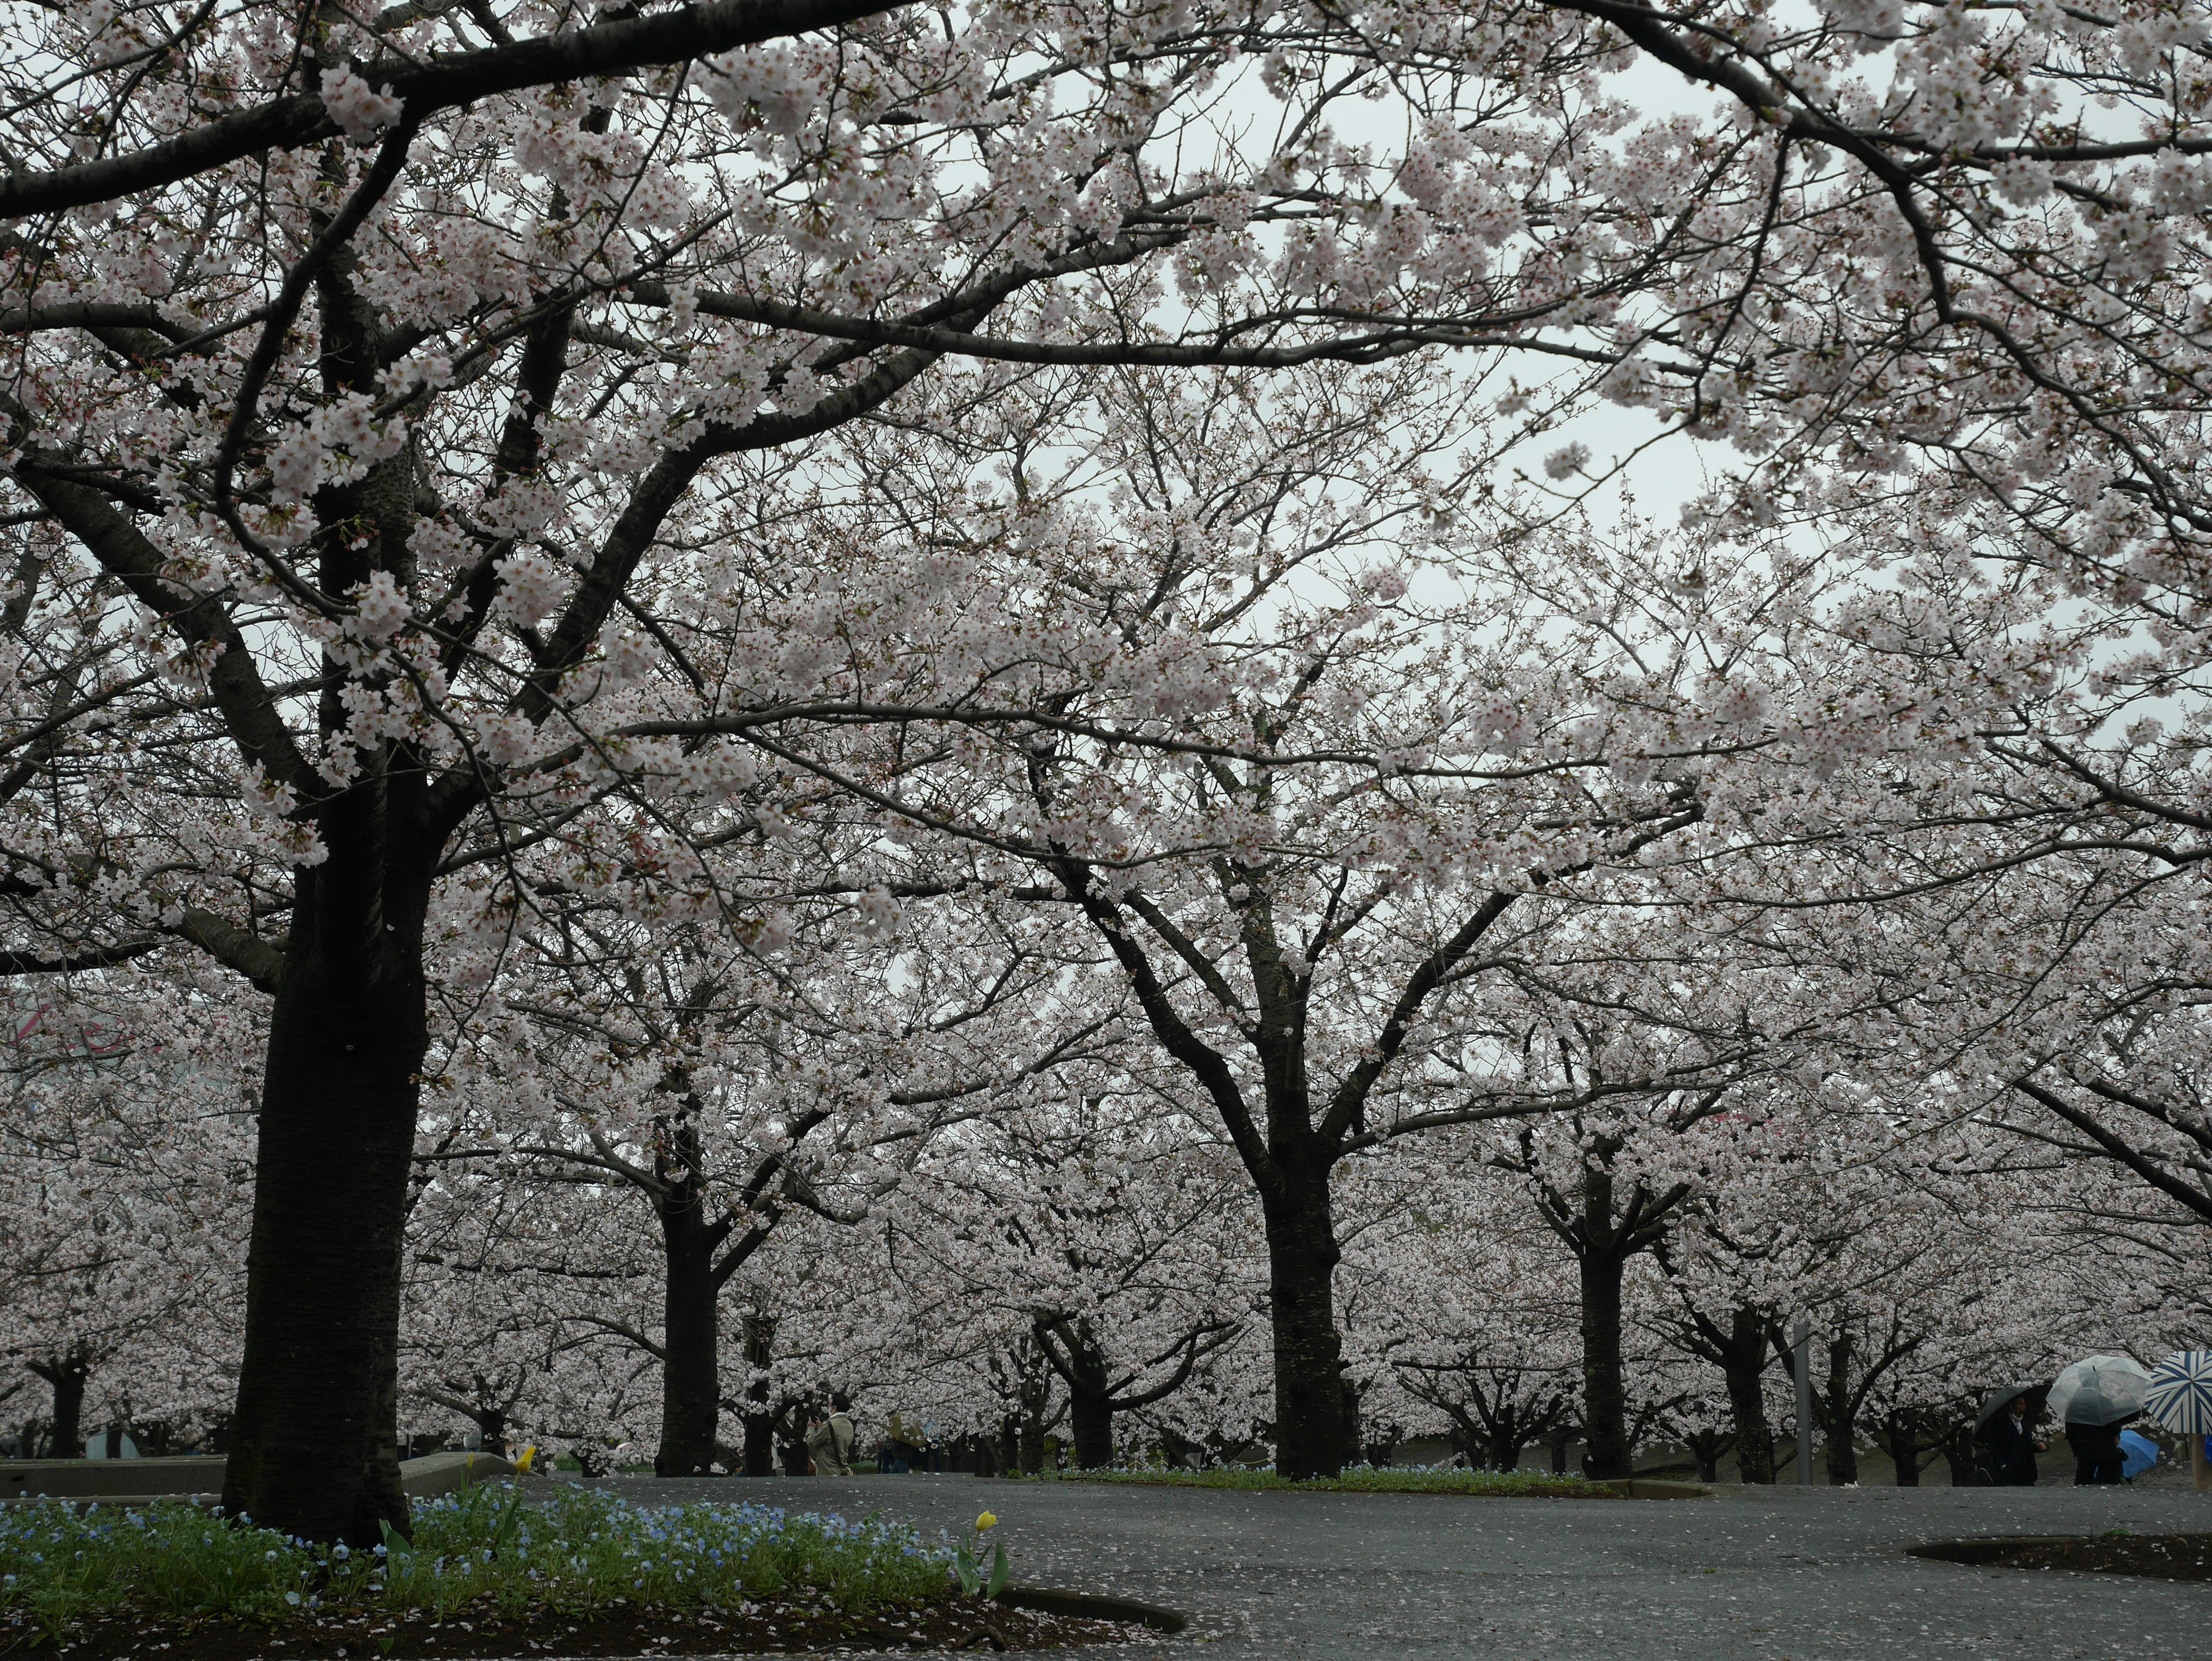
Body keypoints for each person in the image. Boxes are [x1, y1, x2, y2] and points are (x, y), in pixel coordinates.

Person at [1979, 1395, 2040, 1486]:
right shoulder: (2001, 1424)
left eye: (2024, 1404)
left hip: (2027, 1471)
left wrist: (2040, 1447)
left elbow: (2028, 1446)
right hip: (2009, 1471)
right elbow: (1993, 1447)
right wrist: (2002, 1466)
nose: (2022, 1407)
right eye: (2019, 1404)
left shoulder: (2026, 1424)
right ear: (2012, 1406)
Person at [807, 1393, 855, 1476]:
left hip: (827, 1470)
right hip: (842, 1469)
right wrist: (821, 1429)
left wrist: (810, 1428)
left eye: (829, 1404)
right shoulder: (849, 1425)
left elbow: (812, 1442)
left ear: (835, 1408)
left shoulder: (829, 1425)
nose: (828, 1406)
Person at [2064, 1419, 2125, 1485]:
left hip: (2085, 1450)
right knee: (2110, 1482)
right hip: (2107, 1450)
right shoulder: (2106, 1411)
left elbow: (2070, 1433)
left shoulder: (2075, 1412)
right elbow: (2116, 1430)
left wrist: (2077, 1450)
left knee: (2082, 1482)